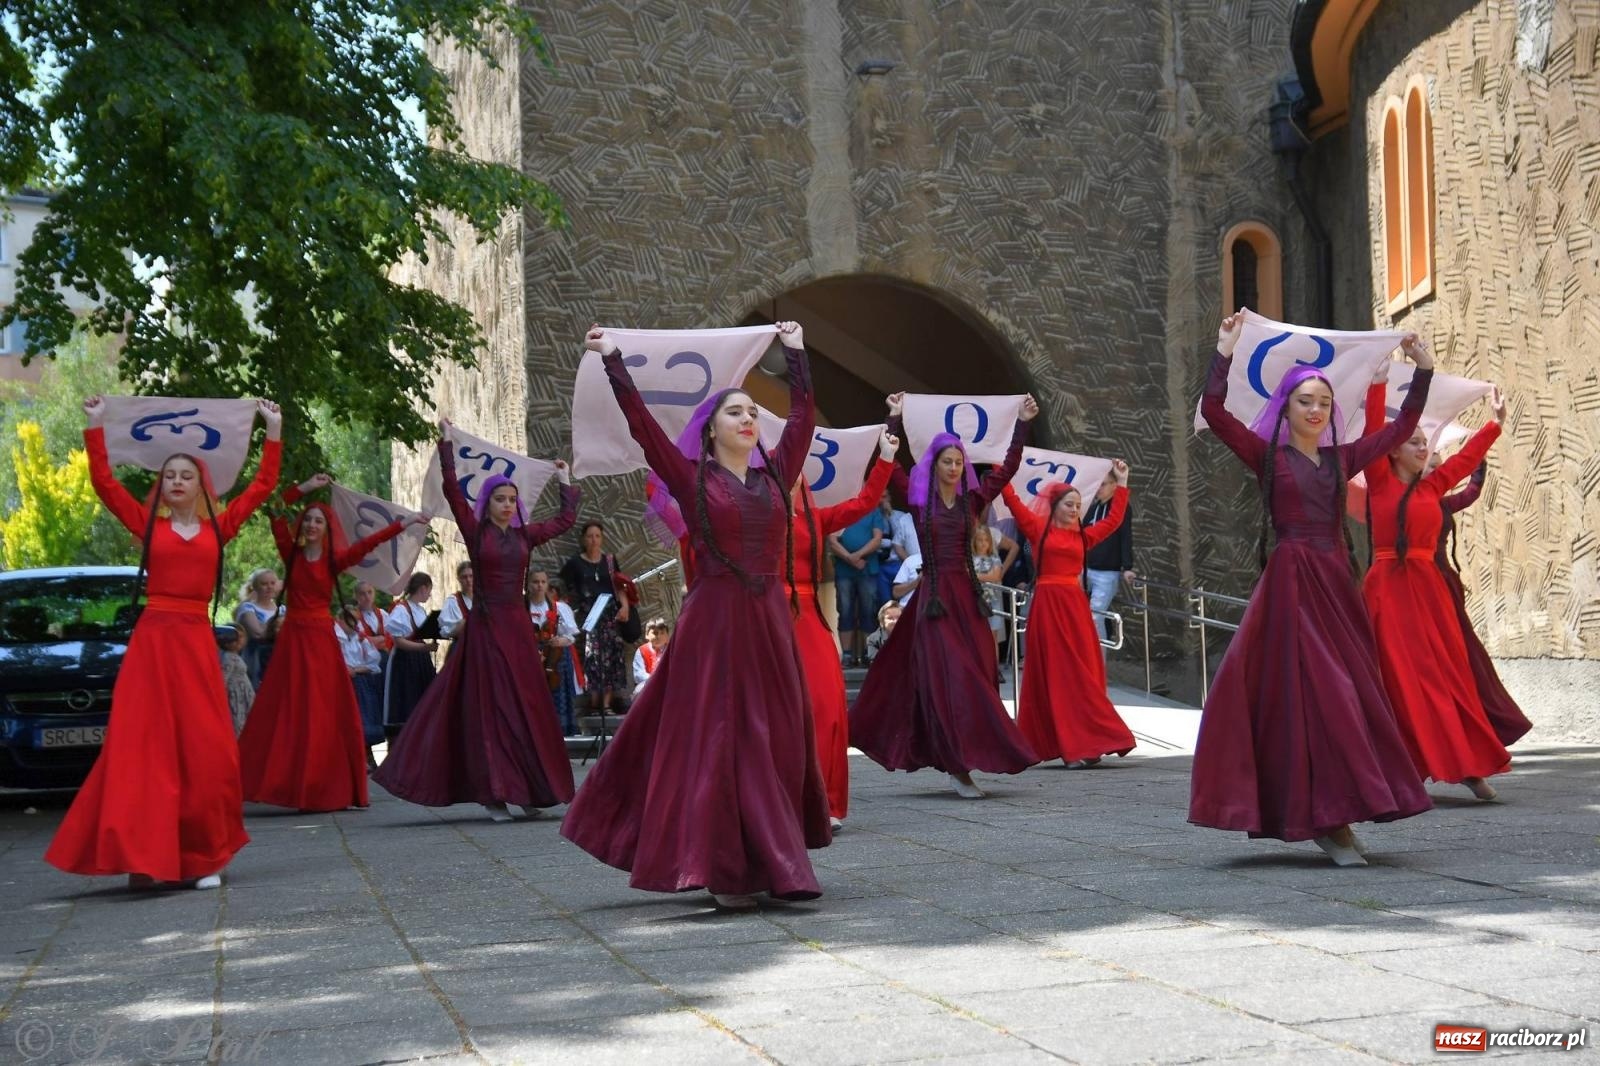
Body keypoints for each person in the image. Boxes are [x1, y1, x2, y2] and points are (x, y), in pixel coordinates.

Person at [562, 322, 830, 909]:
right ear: (710, 431)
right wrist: (613, 361)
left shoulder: (773, 477)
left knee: (774, 735)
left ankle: (768, 854)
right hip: (714, 622)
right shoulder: (691, 478)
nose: (747, 419)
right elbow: (642, 428)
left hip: (768, 622)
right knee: (721, 736)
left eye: (752, 411)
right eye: (735, 412)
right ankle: (723, 865)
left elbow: (805, 419)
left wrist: (797, 354)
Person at [1189, 312, 1434, 866]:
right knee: (1313, 694)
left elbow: (1397, 431)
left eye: (1323, 401)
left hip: (1335, 584)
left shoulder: (1341, 458)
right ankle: (1326, 820)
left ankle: (1338, 811)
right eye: (1306, 401)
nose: (1317, 409)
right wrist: (1224, 349)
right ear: (1287, 408)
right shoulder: (1265, 455)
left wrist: (1422, 370)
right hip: (1290, 585)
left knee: (1349, 692)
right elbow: (1212, 411)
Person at [46, 396, 282, 890]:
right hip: (153, 644)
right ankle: (144, 856)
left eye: (186, 475)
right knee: (143, 750)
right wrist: (94, 425)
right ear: (162, 484)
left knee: (206, 749)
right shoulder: (146, 525)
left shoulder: (220, 528)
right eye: (170, 474)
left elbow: (263, 486)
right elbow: (105, 484)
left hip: (195, 644)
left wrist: (274, 430)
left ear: (201, 486)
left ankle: (203, 856)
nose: (176, 480)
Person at [374, 427, 580, 822]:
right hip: (485, 630)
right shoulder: (475, 531)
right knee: (492, 707)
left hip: (517, 631)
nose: (506, 504)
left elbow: (566, 520)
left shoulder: (526, 536)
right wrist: (446, 445)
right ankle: (494, 793)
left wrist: (564, 479)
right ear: (487, 504)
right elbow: (453, 490)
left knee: (524, 707)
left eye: (512, 500)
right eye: (500, 499)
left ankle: (527, 789)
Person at [850, 391, 1042, 800]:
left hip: (966, 599)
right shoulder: (918, 501)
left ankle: (971, 753)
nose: (954, 468)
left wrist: (1023, 423)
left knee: (978, 675)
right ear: (934, 466)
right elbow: (892, 463)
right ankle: (959, 767)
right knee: (952, 677)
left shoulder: (974, 499)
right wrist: (894, 418)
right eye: (947, 462)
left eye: (959, 462)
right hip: (933, 601)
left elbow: (1007, 467)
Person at [1362, 372, 1511, 800]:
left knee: (1449, 676)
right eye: (1413, 442)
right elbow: (1374, 430)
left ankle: (1466, 763)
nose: (1423, 448)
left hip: (1430, 594)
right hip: (1388, 593)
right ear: (1391, 451)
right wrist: (1377, 383)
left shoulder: (1433, 486)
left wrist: (1494, 424)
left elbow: (1465, 463)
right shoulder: (1379, 480)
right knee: (1400, 679)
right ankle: (1405, 765)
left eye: (1425, 442)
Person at [238, 475, 424, 812]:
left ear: (327, 528)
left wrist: (406, 522)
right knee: (286, 710)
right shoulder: (289, 552)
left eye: (318, 521)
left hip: (321, 640)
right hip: (294, 640)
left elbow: (371, 542)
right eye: (307, 519)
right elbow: (276, 507)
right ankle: (285, 781)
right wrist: (305, 487)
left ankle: (324, 783)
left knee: (325, 711)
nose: (311, 525)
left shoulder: (333, 560)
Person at [794, 431, 899, 829]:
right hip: (767, 616)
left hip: (809, 615)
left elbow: (865, 502)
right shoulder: (754, 517)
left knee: (826, 704)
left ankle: (823, 799)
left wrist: (886, 458)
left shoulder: (817, 517)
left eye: (796, 475)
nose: (793, 480)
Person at [1000, 465, 1138, 767]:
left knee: (1082, 674)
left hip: (1075, 607)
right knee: (1060, 675)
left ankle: (1087, 741)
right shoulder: (1038, 528)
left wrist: (1123, 483)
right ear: (1055, 506)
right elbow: (1011, 500)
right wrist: (1003, 467)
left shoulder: (1084, 537)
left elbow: (1114, 521)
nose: (1075, 509)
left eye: (1078, 505)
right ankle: (1070, 746)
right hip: (1049, 606)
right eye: (1069, 504)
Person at [1434, 459, 1533, 747]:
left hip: (1445, 585)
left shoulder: (1439, 501)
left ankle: (1482, 725)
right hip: (1416, 585)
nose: (1434, 466)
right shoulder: (1399, 499)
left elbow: (1470, 493)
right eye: (1431, 464)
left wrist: (1479, 461)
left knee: (1464, 654)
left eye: (1437, 463)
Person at [560, 521, 634, 714]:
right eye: (590, 536)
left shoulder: (609, 561)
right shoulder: (575, 563)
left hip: (610, 615)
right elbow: (568, 589)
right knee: (593, 657)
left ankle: (607, 704)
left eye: (597, 536)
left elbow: (619, 586)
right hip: (589, 617)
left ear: (602, 538)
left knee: (612, 657)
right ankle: (593, 703)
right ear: (584, 539)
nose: (594, 540)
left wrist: (624, 606)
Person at [827, 496, 888, 668]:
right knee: (844, 611)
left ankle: (868, 655)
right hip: (844, 571)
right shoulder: (839, 510)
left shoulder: (873, 510)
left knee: (868, 612)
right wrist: (850, 558)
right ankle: (847, 655)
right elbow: (832, 540)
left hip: (868, 569)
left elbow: (877, 539)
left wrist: (857, 555)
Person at [383, 572, 437, 741]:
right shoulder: (401, 609)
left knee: (424, 699)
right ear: (422, 588)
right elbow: (398, 642)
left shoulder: (419, 609)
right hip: (404, 662)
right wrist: (425, 647)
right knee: (406, 702)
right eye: (429, 590)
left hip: (420, 660)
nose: (429, 594)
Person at [1082, 477, 1136, 645]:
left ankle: (1098, 666)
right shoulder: (1092, 509)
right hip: (1085, 570)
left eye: (1103, 484)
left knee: (1094, 617)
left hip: (1106, 573)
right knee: (1082, 617)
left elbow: (1126, 536)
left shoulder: (1121, 509)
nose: (1099, 488)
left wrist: (1127, 566)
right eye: (1098, 483)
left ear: (1114, 485)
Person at [528, 568, 582, 736]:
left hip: (555, 658)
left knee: (557, 695)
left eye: (543, 582)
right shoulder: (521, 606)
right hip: (528, 659)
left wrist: (561, 640)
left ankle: (559, 733)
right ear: (529, 585)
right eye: (535, 582)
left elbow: (571, 636)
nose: (539, 586)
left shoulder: (559, 608)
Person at [336, 605, 386, 770]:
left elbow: (373, 663)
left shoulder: (360, 638)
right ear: (341, 620)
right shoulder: (335, 637)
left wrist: (356, 669)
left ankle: (365, 758)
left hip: (360, 682)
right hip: (340, 684)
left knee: (363, 720)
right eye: (351, 620)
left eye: (356, 621)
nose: (355, 625)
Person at [234, 568, 283, 687]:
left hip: (278, 661)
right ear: (255, 587)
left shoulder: (282, 609)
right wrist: (277, 624)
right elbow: (258, 634)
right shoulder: (247, 608)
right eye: (264, 584)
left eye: (272, 583)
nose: (269, 587)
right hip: (255, 663)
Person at [220, 627, 255, 736]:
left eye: (241, 637)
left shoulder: (236, 656)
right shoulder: (229, 658)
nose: (239, 641)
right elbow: (224, 677)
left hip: (244, 693)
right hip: (236, 695)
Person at [631, 618, 671, 694]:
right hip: (648, 684)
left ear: (667, 637)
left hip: (669, 682)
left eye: (662, 633)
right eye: (655, 633)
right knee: (638, 691)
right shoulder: (642, 651)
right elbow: (638, 674)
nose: (658, 636)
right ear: (647, 635)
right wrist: (655, 679)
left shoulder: (671, 650)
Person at [438, 560, 474, 642]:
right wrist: (462, 625)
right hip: (463, 648)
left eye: (471, 576)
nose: (468, 580)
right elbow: (444, 631)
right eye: (464, 577)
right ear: (459, 579)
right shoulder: (453, 601)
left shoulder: (485, 600)